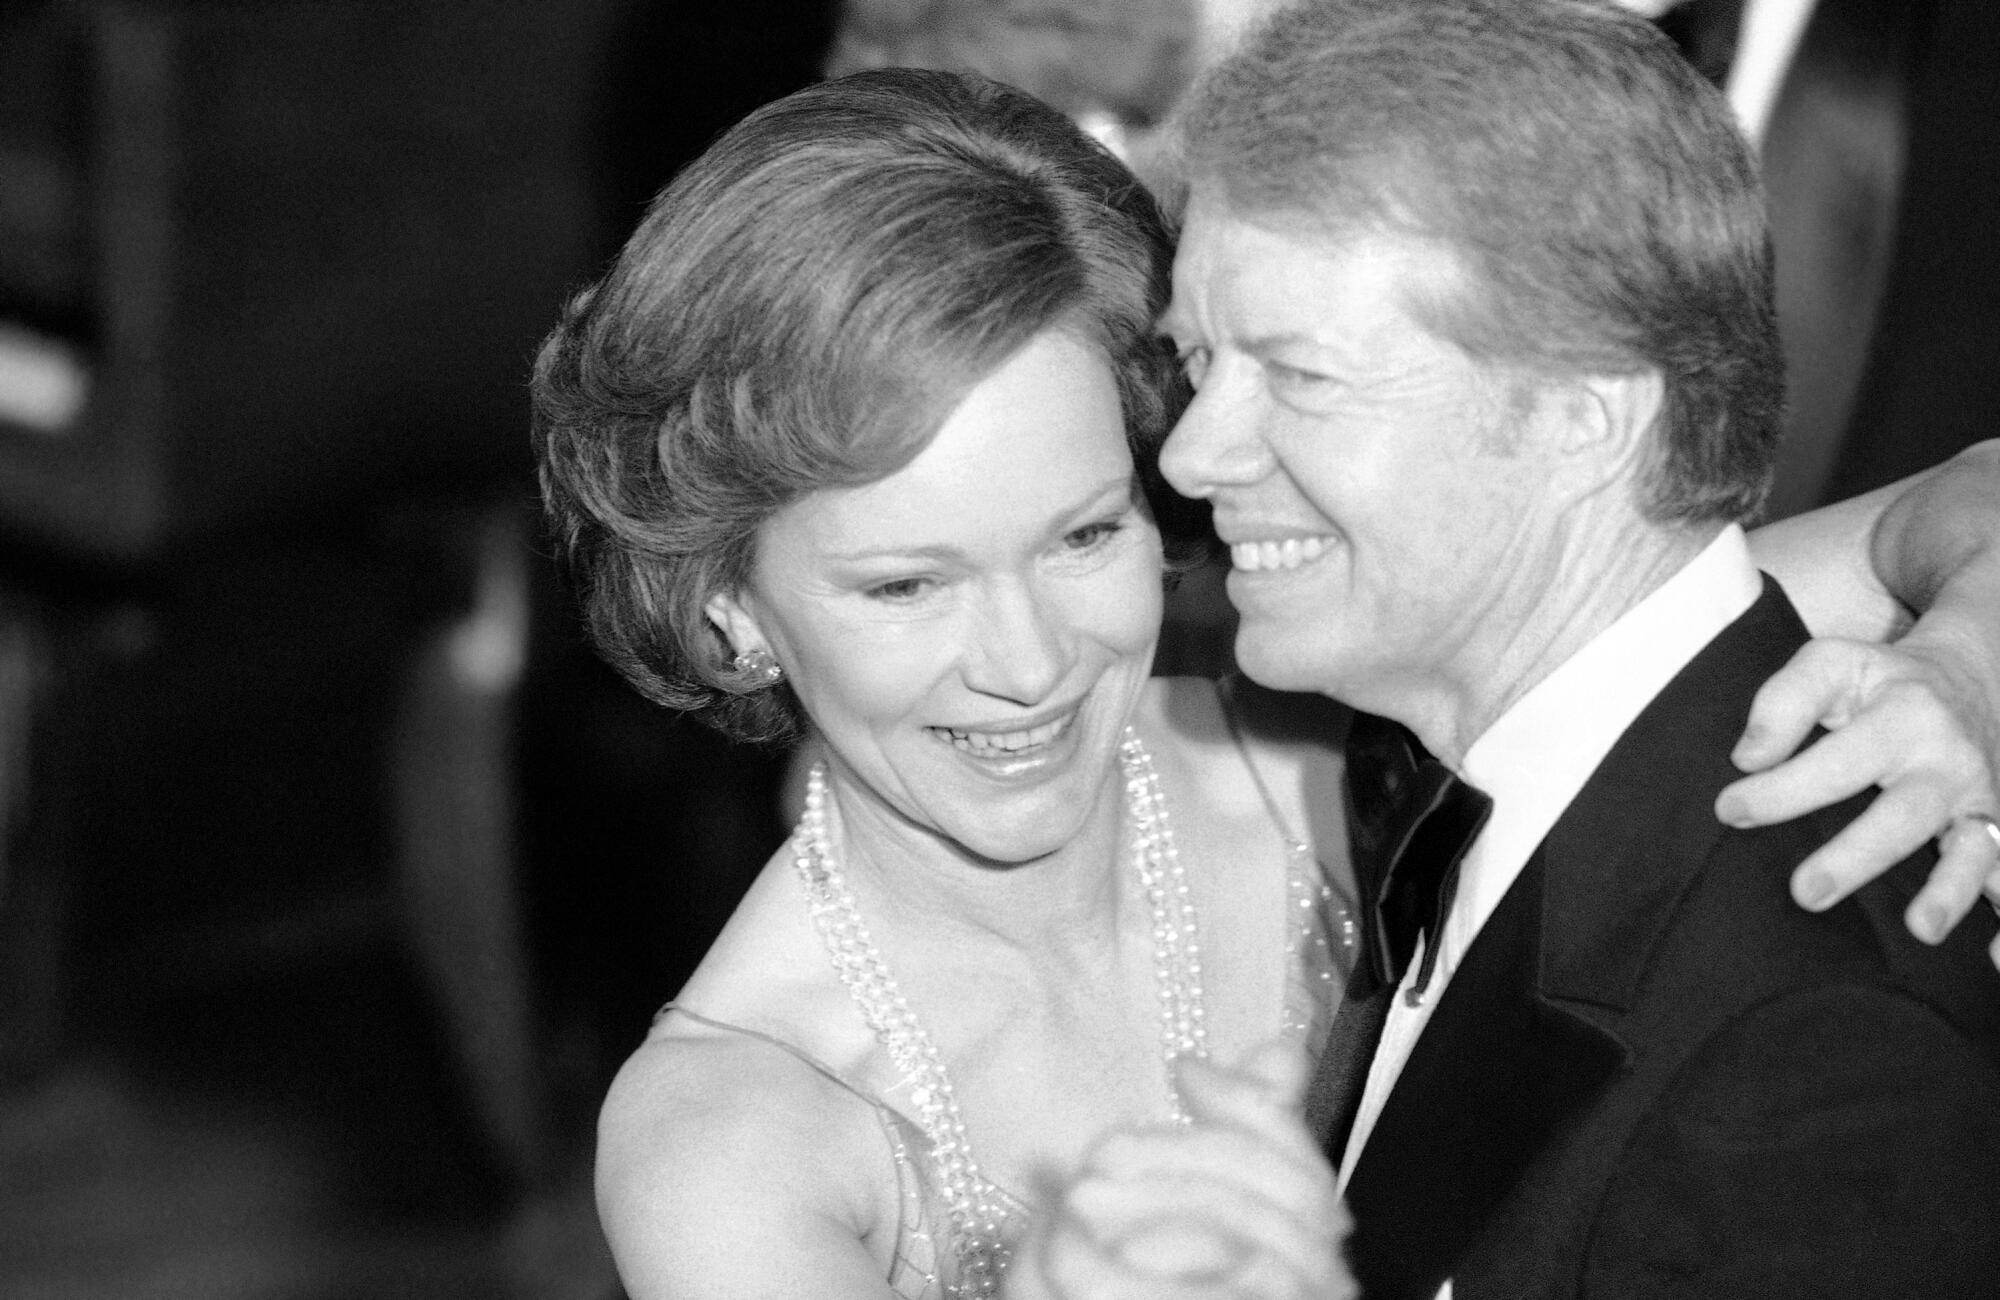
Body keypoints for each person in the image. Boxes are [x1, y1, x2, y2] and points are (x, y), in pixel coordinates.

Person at [531, 66, 2000, 1300]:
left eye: (1083, 534)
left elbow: (1934, 509)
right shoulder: (735, 1135)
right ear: (730, 612)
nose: (1032, 664)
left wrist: (1963, 663)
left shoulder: (1312, 703)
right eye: (906, 585)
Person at [1023, 1, 2000, 1296]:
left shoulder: (1815, 1045)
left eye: (1297, 375)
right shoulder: (1527, 788)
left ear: (1587, 418)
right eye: (1201, 363)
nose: (1193, 454)